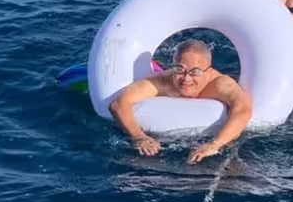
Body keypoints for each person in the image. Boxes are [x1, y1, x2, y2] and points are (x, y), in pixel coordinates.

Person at [108, 39, 252, 164]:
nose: (186, 79)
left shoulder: (220, 84)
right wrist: (138, 136)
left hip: (210, 140)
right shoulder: (162, 81)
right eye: (179, 69)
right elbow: (119, 104)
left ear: (208, 71)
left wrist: (215, 144)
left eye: (195, 72)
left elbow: (243, 109)